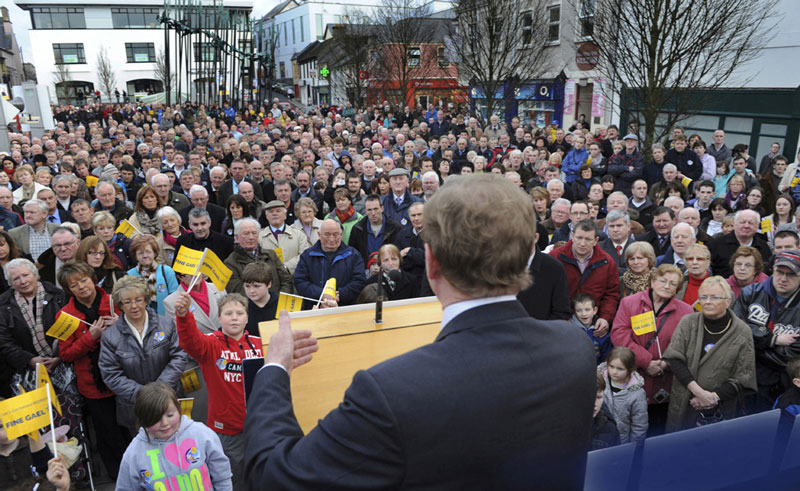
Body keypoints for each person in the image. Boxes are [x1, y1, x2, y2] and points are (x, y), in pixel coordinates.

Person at [245, 174, 596, 489]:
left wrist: (274, 369)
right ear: (524, 258)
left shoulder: (389, 390)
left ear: (431, 262)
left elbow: (273, 475)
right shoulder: (575, 349)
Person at [174, 291, 261, 488]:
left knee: (259, 473)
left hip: (259, 426)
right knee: (232, 478)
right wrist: (183, 315)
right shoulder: (211, 344)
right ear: (219, 317)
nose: (234, 318)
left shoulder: (259, 343)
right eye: (229, 313)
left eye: (239, 313)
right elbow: (189, 340)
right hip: (227, 430)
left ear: (247, 317)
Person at [55, 262, 129, 480]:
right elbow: (66, 354)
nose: (82, 287)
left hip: (123, 377)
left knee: (131, 429)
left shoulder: (114, 301)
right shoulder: (64, 315)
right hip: (93, 385)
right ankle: (120, 478)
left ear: (93, 278)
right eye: (74, 285)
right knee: (108, 434)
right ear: (69, 290)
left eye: (84, 280)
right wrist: (90, 337)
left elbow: (139, 328)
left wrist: (121, 324)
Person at [663, 276, 756, 431]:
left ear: (728, 301)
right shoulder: (688, 322)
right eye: (703, 297)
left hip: (721, 409)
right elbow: (674, 359)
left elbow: (743, 376)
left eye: (714, 297)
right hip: (685, 401)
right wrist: (698, 392)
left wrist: (712, 398)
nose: (707, 302)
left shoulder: (742, 331)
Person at [611, 264, 694, 436]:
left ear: (677, 289)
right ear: (653, 280)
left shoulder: (686, 311)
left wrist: (665, 363)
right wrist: (646, 361)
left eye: (672, 284)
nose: (666, 286)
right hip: (633, 377)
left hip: (666, 381)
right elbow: (619, 334)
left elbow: (686, 344)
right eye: (663, 281)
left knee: (660, 431)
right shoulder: (629, 303)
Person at [99, 276, 187, 434]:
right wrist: (144, 396)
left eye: (138, 300)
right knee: (149, 456)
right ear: (120, 305)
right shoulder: (110, 336)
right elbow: (111, 374)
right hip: (135, 410)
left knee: (176, 451)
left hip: (170, 403)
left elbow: (179, 356)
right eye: (127, 302)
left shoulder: (166, 324)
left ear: (146, 300)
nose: (134, 306)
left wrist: (160, 390)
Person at [115, 381, 233, 491]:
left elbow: (222, 474)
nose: (165, 423)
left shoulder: (201, 434)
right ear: (143, 420)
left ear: (179, 409)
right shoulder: (133, 454)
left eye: (170, 415)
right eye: (155, 419)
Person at [733, 250, 800, 412]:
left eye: (790, 274)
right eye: (779, 272)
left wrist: (756, 347)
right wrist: (772, 339)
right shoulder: (750, 293)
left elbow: (794, 351)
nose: (783, 278)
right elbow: (736, 332)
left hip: (785, 381)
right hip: (746, 375)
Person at [551, 219, 620, 337]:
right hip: (560, 323)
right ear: (572, 236)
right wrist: (560, 318)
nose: (582, 243)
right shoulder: (555, 258)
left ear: (596, 241)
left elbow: (612, 294)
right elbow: (547, 292)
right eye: (579, 238)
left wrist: (605, 318)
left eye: (588, 239)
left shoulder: (607, 262)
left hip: (593, 325)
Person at [224, 218, 293, 295]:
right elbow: (236, 290)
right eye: (246, 233)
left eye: (254, 233)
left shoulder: (271, 255)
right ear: (237, 238)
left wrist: (277, 300)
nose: (251, 237)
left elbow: (286, 280)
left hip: (278, 303)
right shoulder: (230, 263)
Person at [598, 346, 648, 443]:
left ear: (630, 370)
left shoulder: (637, 394)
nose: (614, 372)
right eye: (611, 366)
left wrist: (633, 447)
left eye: (620, 369)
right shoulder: (599, 381)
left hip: (621, 441)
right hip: (599, 438)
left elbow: (639, 426)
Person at [126, 234, 179, 315]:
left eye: (148, 252)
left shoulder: (166, 271)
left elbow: (175, 296)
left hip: (166, 317)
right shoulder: (130, 275)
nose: (145, 256)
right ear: (135, 256)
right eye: (140, 253)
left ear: (155, 253)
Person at [709, 209, 772, 277]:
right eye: (742, 222)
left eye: (751, 223)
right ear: (735, 224)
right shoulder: (716, 244)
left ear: (757, 226)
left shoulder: (764, 247)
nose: (746, 226)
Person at [258, 200, 311, 273]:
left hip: (293, 278)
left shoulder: (299, 234)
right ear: (267, 216)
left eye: (278, 211)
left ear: (285, 215)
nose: (275, 214)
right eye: (271, 212)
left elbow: (304, 255)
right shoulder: (259, 236)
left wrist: (286, 267)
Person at [571, 293, 611, 364]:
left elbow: (606, 355)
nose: (583, 314)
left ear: (595, 310)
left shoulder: (600, 330)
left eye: (587, 309)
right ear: (574, 312)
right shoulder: (570, 329)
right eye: (579, 310)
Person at [242, 262, 279, 336]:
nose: (251, 291)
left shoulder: (283, 303)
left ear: (269, 284)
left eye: (257, 286)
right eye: (247, 286)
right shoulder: (241, 306)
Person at [680, 243, 711, 308]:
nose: (694, 262)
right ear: (685, 262)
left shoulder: (718, 285)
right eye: (690, 259)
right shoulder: (678, 284)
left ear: (708, 262)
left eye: (699, 259)